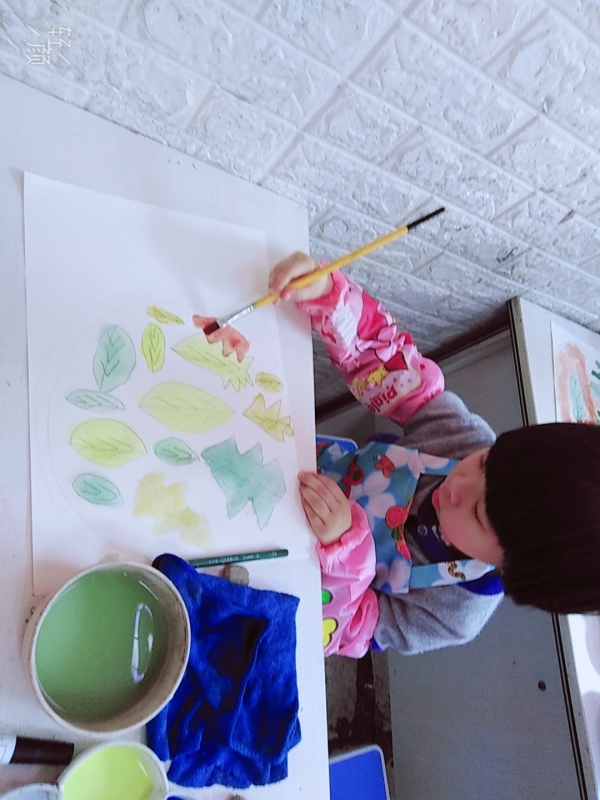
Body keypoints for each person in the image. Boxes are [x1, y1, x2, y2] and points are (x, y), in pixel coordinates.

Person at [268, 252, 600, 658]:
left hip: (277, 569)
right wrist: (329, 297)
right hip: (281, 463)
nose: (459, 485)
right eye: (485, 463)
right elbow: (388, 366)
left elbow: (344, 630)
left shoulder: (454, 613)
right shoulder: (464, 439)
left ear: (508, 569)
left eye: (478, 514)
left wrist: (344, 551)